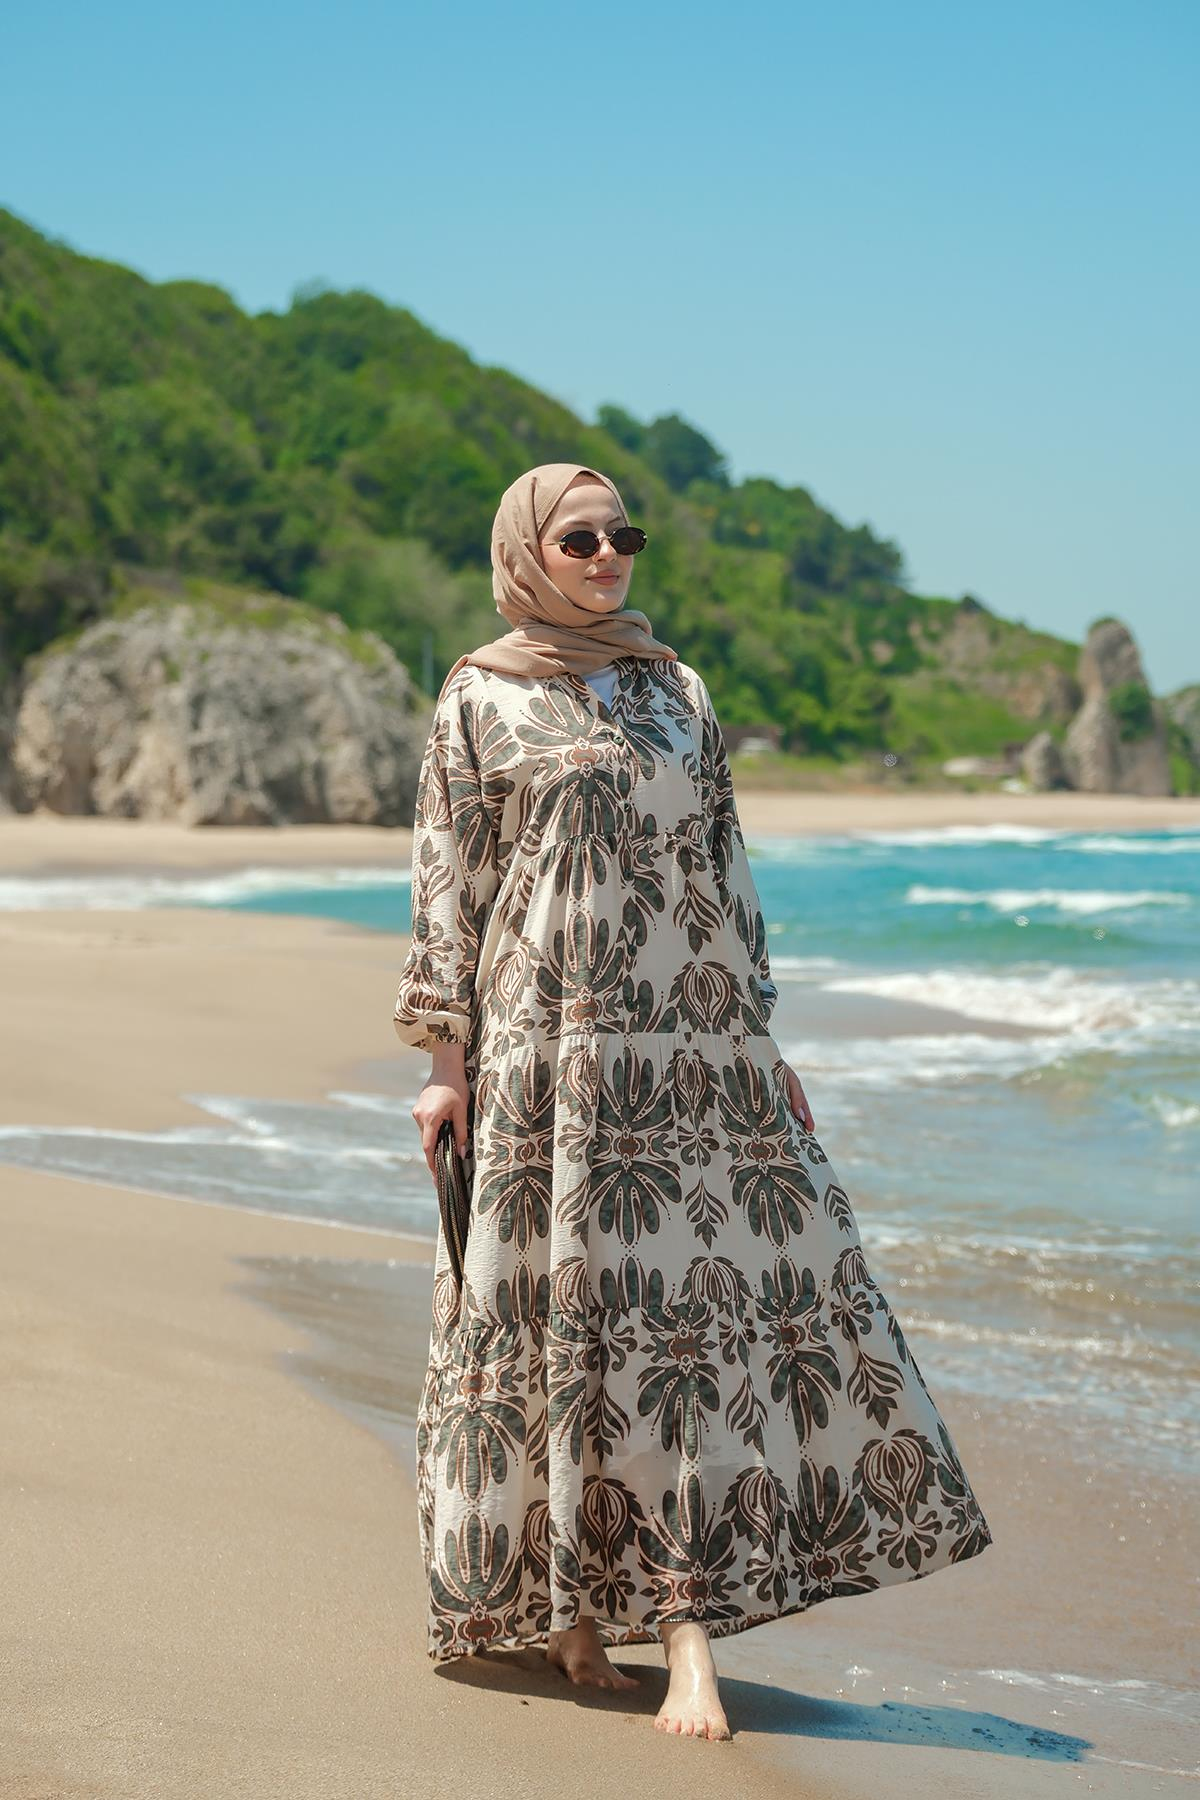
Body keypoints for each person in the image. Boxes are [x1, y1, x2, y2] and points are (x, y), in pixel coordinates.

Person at [392, 462, 993, 1742]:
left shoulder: (679, 690)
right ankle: (571, 1613)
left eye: (625, 535)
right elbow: (451, 881)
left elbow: (724, 869)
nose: (609, 555)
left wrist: (761, 1037)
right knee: (562, 1323)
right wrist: (444, 1063)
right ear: (527, 554)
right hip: (549, 1054)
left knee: (687, 1338)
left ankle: (685, 1634)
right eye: (580, 539)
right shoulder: (480, 696)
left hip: (694, 1053)